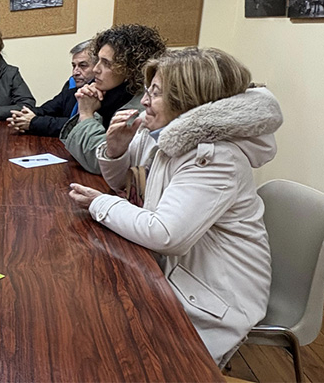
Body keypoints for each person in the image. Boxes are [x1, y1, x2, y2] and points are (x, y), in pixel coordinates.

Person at [68, 48, 282, 366]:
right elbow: (120, 182)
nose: (143, 101)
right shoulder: (165, 133)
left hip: (215, 297)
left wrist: (101, 203)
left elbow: (166, 235)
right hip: (177, 273)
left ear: (187, 101)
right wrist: (115, 150)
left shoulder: (217, 156)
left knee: (105, 344)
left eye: (155, 93)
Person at [59, 24, 166, 174]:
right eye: (98, 60)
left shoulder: (142, 107)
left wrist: (87, 114)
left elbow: (100, 162)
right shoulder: (110, 94)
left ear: (131, 69)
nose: (96, 69)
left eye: (106, 63)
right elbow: (78, 151)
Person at [7, 39, 96, 136]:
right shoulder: (72, 89)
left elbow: (76, 126)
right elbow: (46, 110)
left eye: (83, 66)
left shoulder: (100, 94)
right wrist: (21, 117)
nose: (75, 72)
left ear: (97, 67)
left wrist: (33, 122)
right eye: (74, 66)